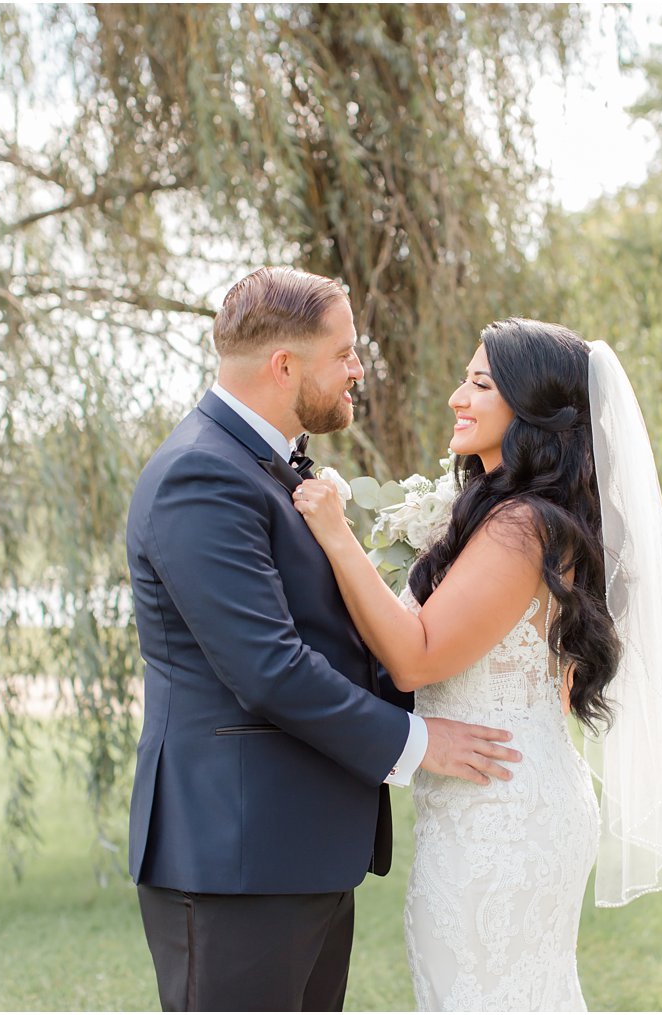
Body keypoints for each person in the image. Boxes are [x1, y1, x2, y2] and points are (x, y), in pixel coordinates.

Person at [293, 318, 662, 1011]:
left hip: (501, 810)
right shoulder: (519, 515)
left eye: (480, 383)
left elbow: (414, 657)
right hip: (497, 791)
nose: (456, 398)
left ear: (532, 409)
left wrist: (335, 532)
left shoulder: (522, 526)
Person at [125, 267, 522, 1012]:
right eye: (344, 353)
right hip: (233, 860)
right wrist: (416, 741)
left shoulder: (264, 468)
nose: (358, 369)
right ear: (285, 366)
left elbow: (329, 635)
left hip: (293, 850)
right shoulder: (201, 476)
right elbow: (269, 668)